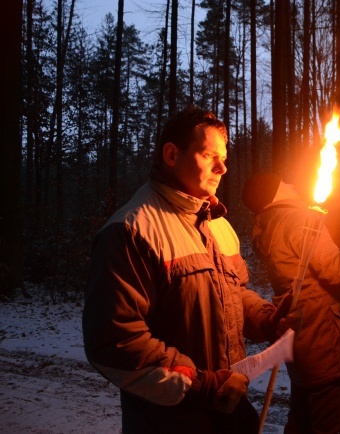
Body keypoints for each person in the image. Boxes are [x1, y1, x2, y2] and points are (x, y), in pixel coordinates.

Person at [82, 106, 293, 434]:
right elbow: (114, 341)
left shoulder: (220, 225)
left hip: (227, 411)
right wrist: (203, 386)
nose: (222, 167)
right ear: (171, 154)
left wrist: (267, 319)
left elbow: (234, 293)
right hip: (168, 419)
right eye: (209, 155)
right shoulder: (131, 231)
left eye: (224, 157)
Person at [241, 173, 340, 434]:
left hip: (304, 341)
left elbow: (308, 269)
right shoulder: (299, 219)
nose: (293, 182)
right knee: (330, 424)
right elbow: (337, 270)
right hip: (326, 341)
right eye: (285, 181)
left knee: (302, 421)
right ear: (275, 191)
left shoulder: (271, 223)